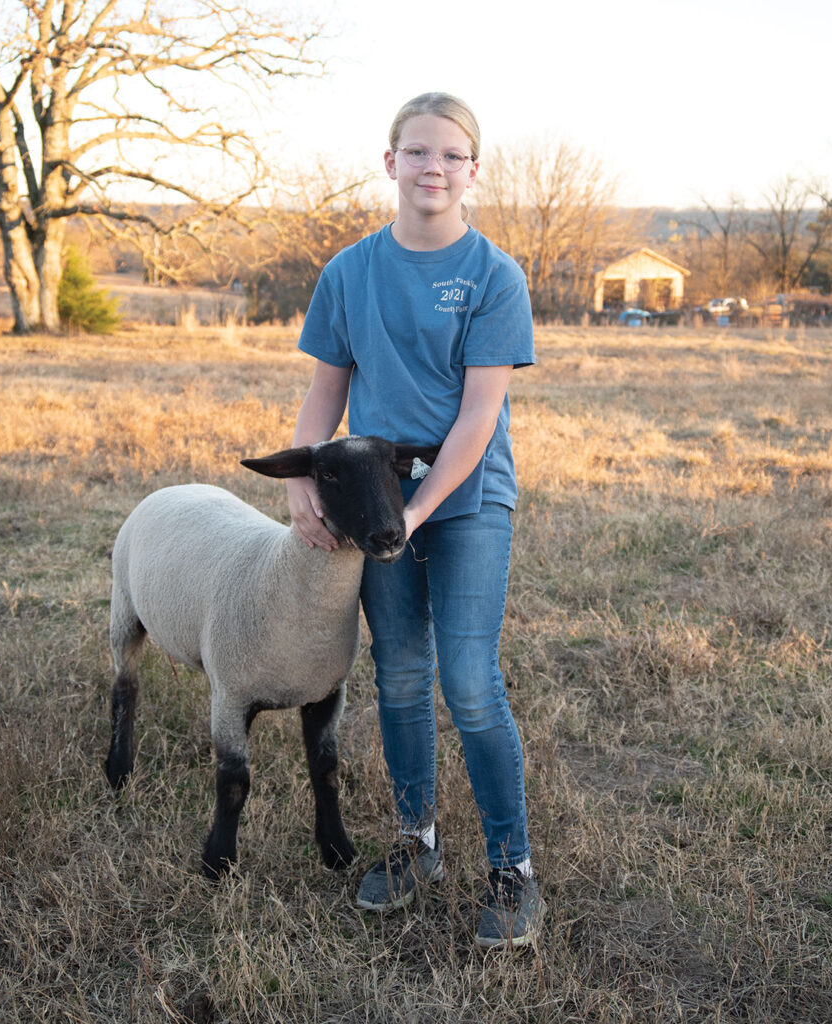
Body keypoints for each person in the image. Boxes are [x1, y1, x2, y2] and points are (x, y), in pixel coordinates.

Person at [286, 92, 546, 949]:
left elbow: (477, 419)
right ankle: (415, 841)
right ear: (389, 162)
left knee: (468, 683)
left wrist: (419, 508)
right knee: (398, 674)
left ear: (473, 172)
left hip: (467, 501)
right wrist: (301, 480)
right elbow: (326, 390)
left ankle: (512, 866)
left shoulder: (495, 275)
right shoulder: (348, 272)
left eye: (451, 155)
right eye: (417, 152)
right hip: (375, 500)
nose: (433, 168)